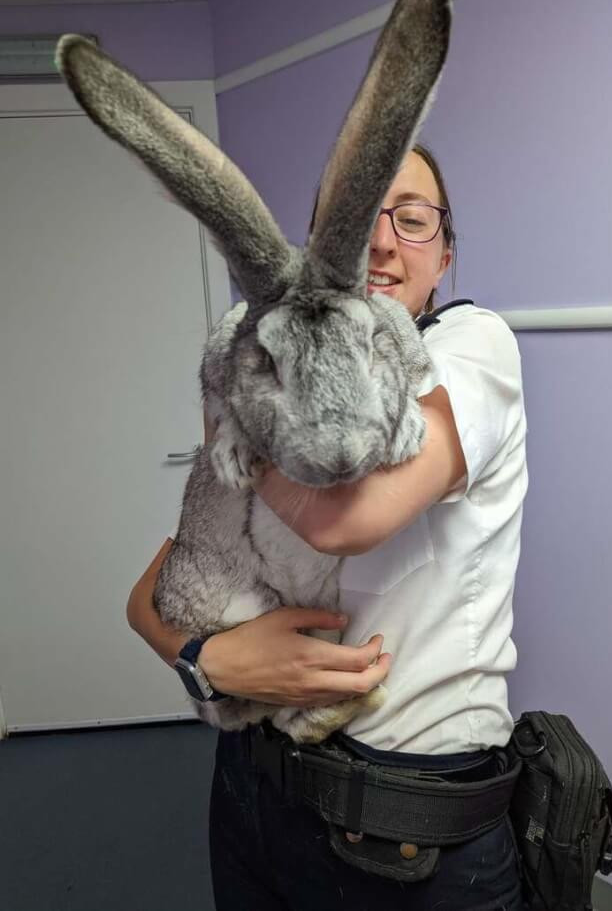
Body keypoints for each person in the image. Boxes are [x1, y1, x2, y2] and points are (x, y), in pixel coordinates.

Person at [127, 143, 529, 911]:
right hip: (253, 783)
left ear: (444, 257)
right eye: (354, 221)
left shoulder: (471, 347)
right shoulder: (267, 356)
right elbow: (152, 593)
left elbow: (348, 519)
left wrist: (241, 397)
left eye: (411, 221)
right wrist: (209, 662)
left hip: (404, 824)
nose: (380, 241)